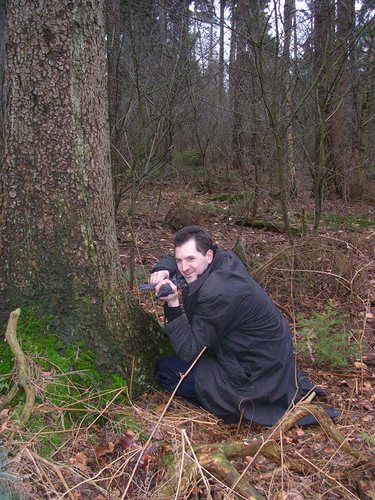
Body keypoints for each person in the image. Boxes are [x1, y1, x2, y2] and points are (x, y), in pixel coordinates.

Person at [150, 225, 335, 426]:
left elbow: (189, 350)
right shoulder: (224, 260)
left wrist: (172, 304)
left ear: (209, 255)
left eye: (191, 260)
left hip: (255, 374)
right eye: (179, 260)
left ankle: (233, 407)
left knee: (166, 370)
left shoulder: (218, 292)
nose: (184, 267)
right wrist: (163, 267)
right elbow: (180, 256)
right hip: (266, 357)